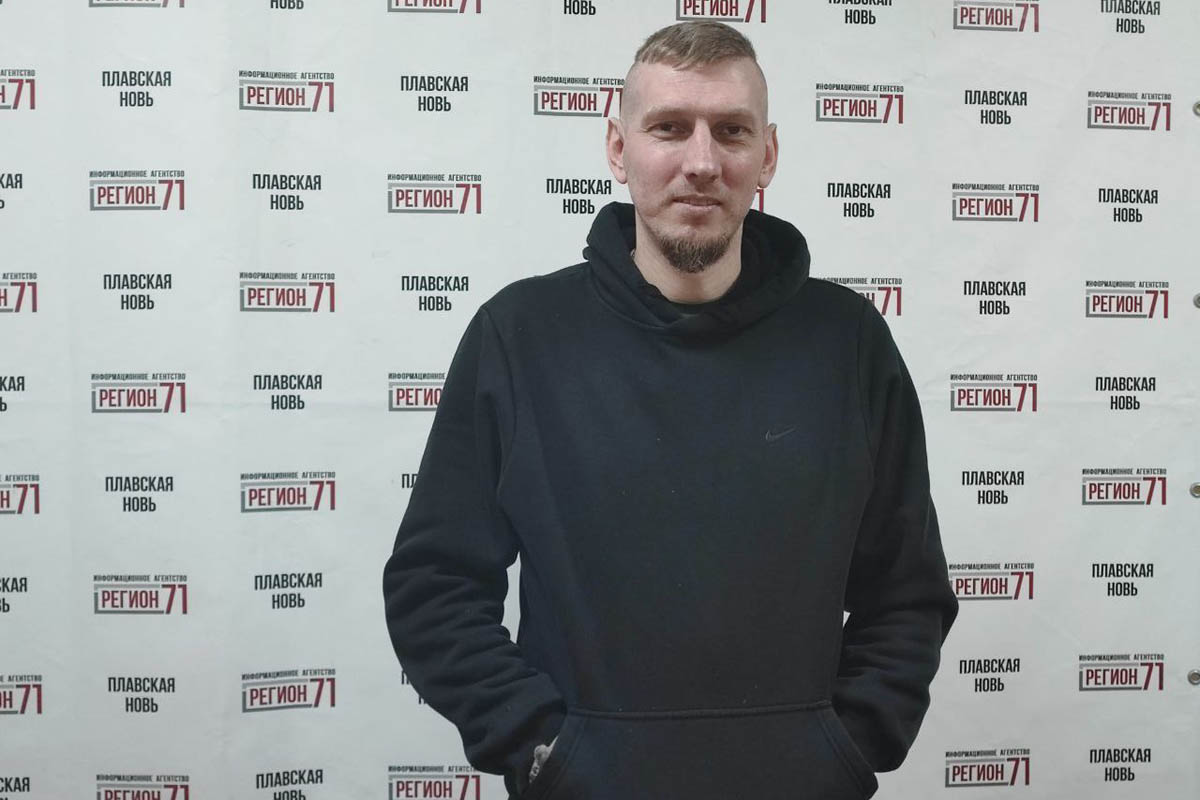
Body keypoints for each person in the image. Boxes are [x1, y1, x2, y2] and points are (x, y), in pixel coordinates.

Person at [383, 20, 958, 800]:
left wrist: (845, 748)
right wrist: (544, 750)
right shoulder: (519, 336)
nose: (702, 162)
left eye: (731, 131)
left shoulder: (849, 343)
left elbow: (907, 589)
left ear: (768, 155)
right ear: (618, 149)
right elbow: (435, 584)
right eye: (669, 128)